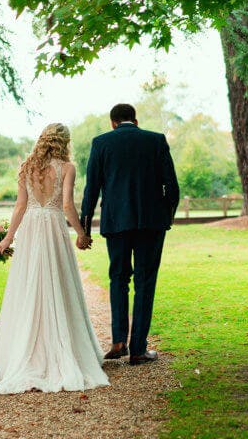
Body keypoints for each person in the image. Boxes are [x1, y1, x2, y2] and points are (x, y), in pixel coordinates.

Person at [0, 123, 110, 395]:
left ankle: (24, 351)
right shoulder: (67, 168)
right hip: (53, 228)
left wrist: (8, 239)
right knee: (58, 281)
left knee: (29, 284)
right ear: (65, 142)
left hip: (31, 228)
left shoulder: (27, 167)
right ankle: (60, 347)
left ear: (43, 140)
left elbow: (20, 206)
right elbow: (66, 205)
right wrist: (81, 234)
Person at [79, 104, 179, 365]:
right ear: (135, 120)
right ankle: (138, 349)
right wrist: (166, 217)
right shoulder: (156, 140)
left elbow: (92, 187)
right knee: (145, 283)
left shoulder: (101, 143)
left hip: (115, 222)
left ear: (113, 122)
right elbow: (172, 185)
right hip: (152, 224)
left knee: (118, 279)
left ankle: (118, 341)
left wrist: (85, 227)